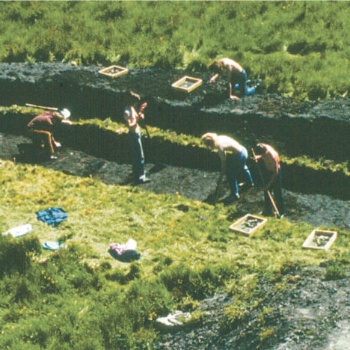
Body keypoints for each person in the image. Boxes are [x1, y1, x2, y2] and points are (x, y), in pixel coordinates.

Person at [201, 133, 254, 204]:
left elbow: (223, 163)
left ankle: (234, 194)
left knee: (230, 174)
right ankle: (249, 182)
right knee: (242, 166)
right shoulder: (220, 137)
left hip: (240, 155)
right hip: (243, 150)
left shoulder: (220, 147)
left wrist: (222, 174)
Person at [123, 91, 150, 184]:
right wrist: (138, 117)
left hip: (137, 134)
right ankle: (140, 177)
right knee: (139, 156)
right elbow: (131, 125)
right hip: (133, 135)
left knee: (138, 156)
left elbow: (136, 119)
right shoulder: (127, 112)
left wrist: (140, 116)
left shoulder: (132, 109)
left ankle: (139, 173)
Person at [253, 143, 285, 217]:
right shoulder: (263, 147)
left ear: (265, 152)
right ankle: (267, 211)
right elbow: (262, 154)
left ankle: (281, 212)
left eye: (263, 155)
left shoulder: (272, 156)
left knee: (277, 193)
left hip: (275, 173)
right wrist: (258, 157)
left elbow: (275, 173)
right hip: (268, 171)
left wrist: (269, 184)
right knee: (267, 192)